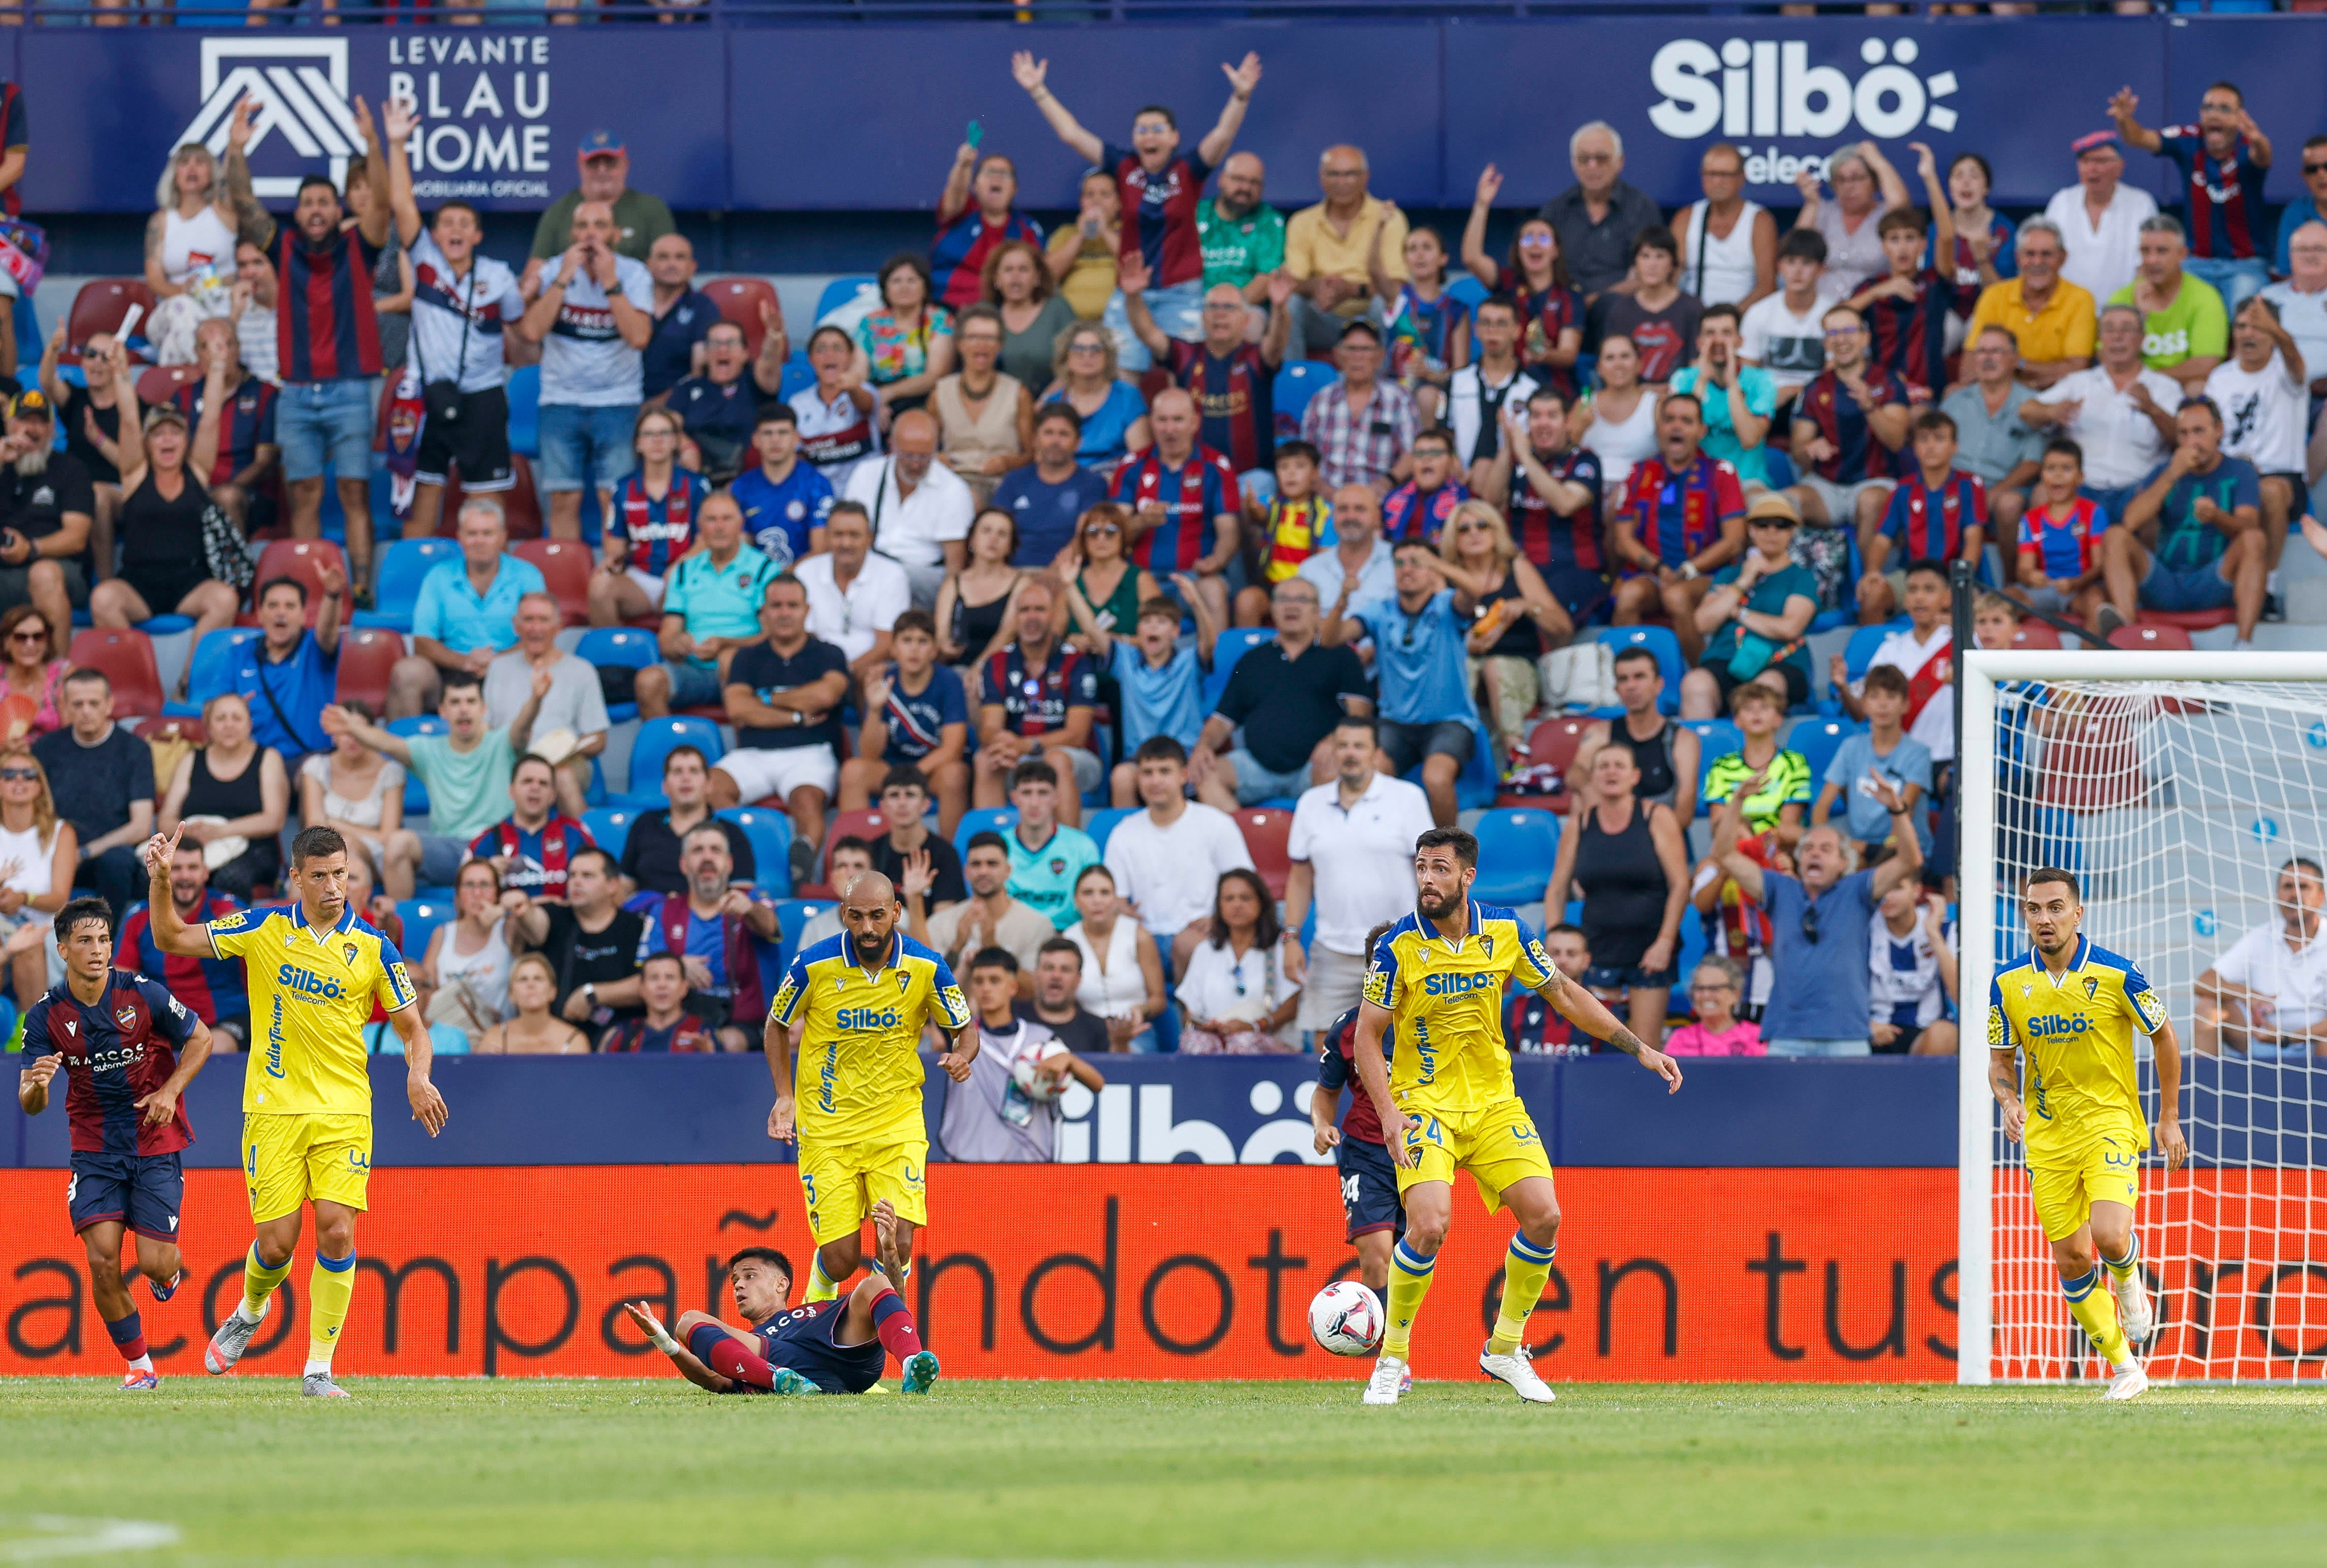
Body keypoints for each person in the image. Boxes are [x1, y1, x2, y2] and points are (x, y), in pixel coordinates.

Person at [1352, 826, 1680, 1405]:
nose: (1428, 879)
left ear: (1468, 876)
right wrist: (1390, 1113)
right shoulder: (1397, 945)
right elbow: (1366, 1036)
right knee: (1428, 1225)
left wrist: (1640, 1048)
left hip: (1494, 1104)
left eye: (1440, 868)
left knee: (1545, 1216)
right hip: (1424, 1104)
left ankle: (1504, 1347)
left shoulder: (1506, 930)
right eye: (1422, 868)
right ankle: (1393, 1356)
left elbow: (1566, 995)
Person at [143, 820, 443, 1397]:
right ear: (296, 877)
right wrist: (160, 880)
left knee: (337, 1231)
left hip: (344, 1111)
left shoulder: (375, 947)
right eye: (321, 876)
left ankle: (318, 1370)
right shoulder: (263, 927)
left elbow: (413, 1029)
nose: (334, 887)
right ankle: (251, 1309)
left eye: (342, 874)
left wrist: (418, 1074)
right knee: (278, 1245)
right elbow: (170, 937)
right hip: (273, 1110)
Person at [1988, 867, 2186, 1401]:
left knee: (2110, 1235)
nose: (2044, 918)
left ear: (2078, 913)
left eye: (2055, 908)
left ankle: (2127, 1277)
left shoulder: (2119, 974)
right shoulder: (2007, 983)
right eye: (2034, 909)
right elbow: (2001, 1059)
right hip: (2048, 1136)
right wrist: (2009, 1101)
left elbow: (2164, 1036)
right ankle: (2126, 1368)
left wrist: (2168, 1116)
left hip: (2110, 1122)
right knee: (2072, 1259)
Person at [15, 896, 214, 1391]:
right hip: (95, 1148)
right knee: (102, 1260)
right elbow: (30, 1102)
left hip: (154, 1139)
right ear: (63, 949)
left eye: (104, 939)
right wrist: (38, 1085)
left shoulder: (142, 993)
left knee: (155, 1263)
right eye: (85, 940)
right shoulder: (44, 1017)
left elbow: (202, 1037)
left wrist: (170, 1091)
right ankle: (141, 1367)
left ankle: (167, 1275)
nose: (98, 949)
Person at [765, 865, 974, 1302]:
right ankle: (815, 1323)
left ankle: (879, 1337)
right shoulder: (812, 965)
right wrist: (785, 1095)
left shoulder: (927, 966)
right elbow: (777, 1024)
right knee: (841, 1258)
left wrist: (962, 1055)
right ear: (843, 913)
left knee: (897, 1242)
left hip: (896, 1124)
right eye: (857, 916)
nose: (868, 928)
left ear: (896, 911)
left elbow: (965, 1027)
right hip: (827, 1128)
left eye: (878, 915)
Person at [1012, 47, 1263, 351]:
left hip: (1181, 291)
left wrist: (1241, 96)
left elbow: (1223, 134)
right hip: (1130, 291)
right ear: (1133, 138)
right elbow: (1071, 134)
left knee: (1184, 368)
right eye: (1141, 130)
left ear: (1174, 138)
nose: (1149, 136)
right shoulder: (1124, 167)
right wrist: (1038, 90)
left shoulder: (1188, 170)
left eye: (1158, 130)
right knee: (1120, 367)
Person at [254, 99, 392, 585]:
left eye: (324, 202)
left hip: (351, 388)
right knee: (305, 497)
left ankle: (362, 587)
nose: (316, 210)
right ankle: (309, 590)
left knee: (355, 495)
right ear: (298, 211)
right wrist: (235, 150)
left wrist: (372, 142)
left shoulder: (361, 245)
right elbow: (244, 205)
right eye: (308, 203)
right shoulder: (283, 247)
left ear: (338, 209)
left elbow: (383, 203)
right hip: (295, 392)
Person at [379, 101, 526, 541]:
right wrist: (397, 143)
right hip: (426, 394)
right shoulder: (424, 259)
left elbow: (519, 328)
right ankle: (416, 576)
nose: (455, 230)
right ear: (435, 234)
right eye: (447, 224)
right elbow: (402, 202)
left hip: (482, 397)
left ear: (477, 235)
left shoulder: (499, 275)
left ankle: (496, 577)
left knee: (488, 501)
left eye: (465, 224)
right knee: (423, 496)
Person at [1711, 761, 1921, 1058]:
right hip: (1786, 1035)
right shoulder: (1780, 888)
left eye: (1825, 849)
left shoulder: (1858, 889)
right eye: (1808, 848)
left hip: (1847, 1035)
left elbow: (1910, 860)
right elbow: (1724, 854)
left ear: (1843, 863)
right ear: (1798, 859)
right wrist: (1738, 800)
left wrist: (1897, 810)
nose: (1815, 854)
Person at [624, 1217, 941, 1396]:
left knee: (875, 1283)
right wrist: (663, 1341)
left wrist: (889, 1251)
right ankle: (781, 1381)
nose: (738, 1285)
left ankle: (912, 1366)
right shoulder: (748, 1345)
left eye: (749, 1276)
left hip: (848, 1355)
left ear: (781, 1284)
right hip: (787, 1365)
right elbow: (715, 1379)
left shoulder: (821, 1310)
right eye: (735, 1280)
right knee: (688, 1321)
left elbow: (890, 1304)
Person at [330, 667, 547, 901]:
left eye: (471, 701)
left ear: (483, 709)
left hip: (497, 846)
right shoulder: (429, 751)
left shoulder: (503, 743)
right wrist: (351, 727)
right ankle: (400, 919)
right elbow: (387, 743)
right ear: (442, 711)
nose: (464, 709)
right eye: (455, 702)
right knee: (397, 844)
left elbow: (522, 727)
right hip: (450, 850)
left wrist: (536, 698)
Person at [512, 198, 654, 543]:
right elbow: (531, 332)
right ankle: (565, 571)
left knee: (613, 499)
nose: (591, 234)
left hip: (617, 401)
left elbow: (639, 338)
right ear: (572, 234)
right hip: (560, 400)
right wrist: (562, 280)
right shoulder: (553, 271)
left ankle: (612, 571)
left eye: (600, 226)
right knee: (563, 500)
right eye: (583, 226)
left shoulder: (634, 274)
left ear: (615, 235)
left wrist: (610, 282)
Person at [1545, 740, 1690, 1048]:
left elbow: (1680, 885)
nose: (1611, 772)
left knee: (1645, 1046)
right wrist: (1554, 942)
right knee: (1601, 1044)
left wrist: (1665, 942)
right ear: (1593, 777)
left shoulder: (1657, 817)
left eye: (1619, 766)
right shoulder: (1579, 823)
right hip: (1598, 949)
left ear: (1635, 776)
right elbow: (1557, 888)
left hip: (1650, 949)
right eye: (1603, 766)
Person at [1328, 541, 1482, 827]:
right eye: (1399, 563)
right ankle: (1385, 843)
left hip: (1449, 721)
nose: (1406, 570)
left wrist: (1436, 564)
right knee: (1372, 774)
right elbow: (1330, 639)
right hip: (1395, 723)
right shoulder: (1380, 610)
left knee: (1436, 779)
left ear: (1432, 570)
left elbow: (1475, 590)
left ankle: (1448, 847)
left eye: (1416, 562)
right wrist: (1343, 598)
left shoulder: (1447, 605)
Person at [713, 574, 850, 883]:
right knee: (711, 786)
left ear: (807, 610)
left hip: (811, 753)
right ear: (764, 612)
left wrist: (766, 698)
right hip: (753, 754)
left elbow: (825, 696)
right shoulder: (746, 657)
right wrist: (797, 716)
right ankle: (745, 852)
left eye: (792, 605)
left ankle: (800, 871)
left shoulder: (829, 653)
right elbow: (738, 709)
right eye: (776, 606)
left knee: (806, 801)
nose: (784, 613)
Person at [1195, 570, 1369, 810]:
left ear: (1317, 610)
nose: (1291, 606)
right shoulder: (1253, 660)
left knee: (1340, 770)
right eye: (1283, 599)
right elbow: (1222, 721)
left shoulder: (1340, 655)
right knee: (1205, 775)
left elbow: (1360, 713)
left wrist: (1335, 741)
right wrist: (1203, 746)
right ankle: (1240, 835)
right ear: (1273, 609)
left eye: (1302, 600)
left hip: (1316, 766)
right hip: (1256, 765)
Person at [88, 394, 240, 668]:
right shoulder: (134, 475)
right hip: (139, 583)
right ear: (146, 443)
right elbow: (129, 420)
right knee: (103, 599)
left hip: (190, 582)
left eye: (175, 432)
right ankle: (140, 677)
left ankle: (189, 680)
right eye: (158, 434)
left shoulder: (198, 473)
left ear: (187, 442)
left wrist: (217, 371)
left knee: (225, 599)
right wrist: (121, 374)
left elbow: (210, 419)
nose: (167, 439)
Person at [2100, 395, 2265, 648]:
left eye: (2199, 431)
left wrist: (2217, 517)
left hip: (2214, 581)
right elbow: (2130, 523)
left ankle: (2243, 645)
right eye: (2184, 434)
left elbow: (2250, 527)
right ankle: (2128, 634)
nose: (2191, 442)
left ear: (2219, 431)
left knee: (2255, 539)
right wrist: (2173, 474)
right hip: (2165, 582)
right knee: (2115, 536)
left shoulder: (2240, 471)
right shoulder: (2166, 470)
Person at [1124, 254, 1291, 489]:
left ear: (1246, 320)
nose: (1220, 313)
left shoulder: (1257, 358)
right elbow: (1148, 333)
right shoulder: (1185, 355)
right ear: (1203, 318)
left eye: (1229, 307)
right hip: (1194, 479)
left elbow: (1278, 341)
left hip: (1251, 478)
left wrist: (1280, 308)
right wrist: (1133, 296)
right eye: (1213, 307)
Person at [2108, 80, 2272, 312]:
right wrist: (2124, 119)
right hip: (2196, 263)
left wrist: (2258, 139)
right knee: (2171, 310)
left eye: (2224, 109)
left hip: (2245, 264)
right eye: (2208, 107)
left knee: (2245, 318)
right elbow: (2139, 138)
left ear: (2240, 116)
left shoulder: (2248, 145)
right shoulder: (2189, 140)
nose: (2214, 114)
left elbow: (2263, 156)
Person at [1307, 924, 1404, 1303]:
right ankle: (1383, 1342)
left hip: (1423, 1151)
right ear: (1372, 973)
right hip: (1366, 1153)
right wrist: (1321, 1124)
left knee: (1415, 1255)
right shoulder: (1348, 1029)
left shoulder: (1439, 1027)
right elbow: (1326, 1091)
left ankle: (1399, 1336)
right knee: (1377, 1257)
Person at [1610, 392, 1747, 659]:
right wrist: (1659, 568)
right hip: (1654, 572)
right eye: (1669, 419)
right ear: (1659, 428)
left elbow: (1735, 541)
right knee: (1628, 595)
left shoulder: (1721, 472)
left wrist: (1688, 570)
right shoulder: (1639, 472)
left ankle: (1702, 673)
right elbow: (1623, 542)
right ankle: (1627, 673)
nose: (1676, 426)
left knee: (1676, 597)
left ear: (1701, 431)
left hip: (1706, 574)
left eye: (1686, 421)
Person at [941, 946, 1106, 1161]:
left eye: (995, 980)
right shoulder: (961, 1037)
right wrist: (964, 966)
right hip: (968, 1165)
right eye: (979, 981)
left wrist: (1069, 1060)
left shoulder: (1042, 1039)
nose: (986, 989)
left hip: (1029, 1166)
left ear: (1013, 987)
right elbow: (944, 1002)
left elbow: (1098, 1084)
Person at [2020, 304, 2182, 520]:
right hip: (2080, 487)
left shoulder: (2165, 387)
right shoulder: (2079, 382)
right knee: (2042, 493)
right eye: (2109, 329)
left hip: (2136, 489)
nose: (2117, 337)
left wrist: (2154, 410)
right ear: (2100, 339)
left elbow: (2181, 439)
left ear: (2142, 339)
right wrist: (2051, 411)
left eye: (2127, 329)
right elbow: (2026, 410)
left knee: (2154, 501)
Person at [390, 499, 547, 719]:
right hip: (451, 672)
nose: (479, 541)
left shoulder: (528, 575)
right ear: (460, 537)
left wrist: (498, 662)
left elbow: (540, 634)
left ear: (503, 537)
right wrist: (464, 662)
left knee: (543, 669)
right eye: (472, 534)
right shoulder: (438, 576)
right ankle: (406, 742)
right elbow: (423, 642)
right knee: (407, 672)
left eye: (488, 533)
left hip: (511, 669)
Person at [1441, 498, 1568, 763]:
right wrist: (1466, 645)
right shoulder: (1446, 577)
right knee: (1466, 667)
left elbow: (1563, 628)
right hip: (1465, 666)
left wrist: (1528, 607)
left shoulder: (1516, 568)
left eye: (1482, 525)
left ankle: (1516, 756)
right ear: (1453, 538)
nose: (1474, 533)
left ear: (1496, 531)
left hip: (1517, 669)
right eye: (1464, 529)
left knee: (1495, 667)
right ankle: (1450, 753)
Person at [1677, 491, 1819, 720]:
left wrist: (1737, 612)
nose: (1771, 531)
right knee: (1695, 684)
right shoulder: (1729, 575)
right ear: (1751, 530)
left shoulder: (1802, 578)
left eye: (1781, 525)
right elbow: (1703, 623)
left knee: (1764, 689)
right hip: (1726, 659)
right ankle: (1701, 745)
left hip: (1780, 662)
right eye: (1763, 524)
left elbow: (1789, 628)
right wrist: (1744, 580)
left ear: (1792, 532)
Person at [639, 490, 780, 720]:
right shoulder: (684, 571)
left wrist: (726, 644)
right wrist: (678, 643)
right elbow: (667, 636)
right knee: (648, 682)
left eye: (727, 519)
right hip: (694, 670)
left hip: (749, 670)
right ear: (699, 526)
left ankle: (745, 742)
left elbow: (773, 637)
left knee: (729, 660)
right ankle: (674, 743)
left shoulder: (765, 570)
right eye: (711, 520)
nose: (719, 527)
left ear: (741, 524)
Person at [1104, 734, 1251, 949]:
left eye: (1165, 771)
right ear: (1138, 778)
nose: (1155, 781)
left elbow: (1245, 885)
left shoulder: (1217, 824)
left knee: (1187, 945)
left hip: (1202, 936)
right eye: (1147, 773)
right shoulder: (1123, 832)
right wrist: (1118, 911)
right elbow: (1116, 898)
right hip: (1144, 938)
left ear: (1184, 775)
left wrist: (1218, 920)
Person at [2206, 296, 2307, 607]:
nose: (2248, 334)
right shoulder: (2220, 377)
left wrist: (2277, 331)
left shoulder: (2286, 371)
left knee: (2269, 492)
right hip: (2229, 472)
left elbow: (2293, 356)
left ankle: (2268, 587)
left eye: (2258, 328)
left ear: (2275, 333)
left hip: (2279, 475)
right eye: (2241, 327)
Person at [973, 579, 1101, 824]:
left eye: (1040, 610)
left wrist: (1027, 745)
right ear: (1015, 618)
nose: (1032, 617)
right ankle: (992, 845)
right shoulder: (998, 662)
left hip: (1074, 758)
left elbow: (1077, 735)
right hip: (1016, 754)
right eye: (1024, 610)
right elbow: (989, 727)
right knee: (987, 760)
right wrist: (1000, 741)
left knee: (1056, 760)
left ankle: (1069, 846)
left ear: (1054, 616)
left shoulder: (1077, 662)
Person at [32, 668, 154, 922]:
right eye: (78, 704)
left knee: (117, 861)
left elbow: (141, 826)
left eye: (94, 703)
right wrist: (64, 853)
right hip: (54, 852)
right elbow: (33, 809)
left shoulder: (135, 750)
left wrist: (85, 852)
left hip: (109, 856)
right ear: (65, 707)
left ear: (109, 705)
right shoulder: (46, 749)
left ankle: (107, 938)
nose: (86, 711)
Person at [644, 824, 779, 1050]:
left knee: (726, 1042)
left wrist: (750, 910)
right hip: (681, 1019)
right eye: (698, 850)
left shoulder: (752, 899)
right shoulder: (664, 910)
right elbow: (647, 969)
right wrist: (678, 966)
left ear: (729, 863)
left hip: (744, 1024)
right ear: (684, 864)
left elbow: (771, 928)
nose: (707, 858)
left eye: (715, 850)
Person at [1480, 388, 1607, 624]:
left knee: (1542, 617)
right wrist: (1508, 447)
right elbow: (1490, 501)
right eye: (1536, 416)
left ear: (1567, 422)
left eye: (1552, 416)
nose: (1543, 423)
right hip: (1522, 568)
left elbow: (1565, 504)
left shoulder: (1584, 461)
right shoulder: (1517, 461)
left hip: (1573, 570)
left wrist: (1525, 456)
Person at [1786, 306, 1910, 544]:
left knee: (1870, 502)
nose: (1841, 340)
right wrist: (1810, 448)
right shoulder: (1815, 388)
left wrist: (1870, 407)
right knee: (1782, 505)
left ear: (1865, 338)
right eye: (1833, 333)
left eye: (1849, 331)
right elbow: (1798, 451)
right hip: (1825, 486)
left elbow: (1896, 441)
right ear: (1826, 343)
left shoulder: (1889, 382)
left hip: (1876, 481)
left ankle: (1868, 571)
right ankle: (1795, 570)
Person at [144, 106, 255, 365]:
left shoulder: (223, 211)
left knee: (188, 335)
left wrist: (234, 146)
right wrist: (182, 290)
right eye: (184, 163)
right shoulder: (161, 221)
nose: (192, 168)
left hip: (221, 305)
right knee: (183, 310)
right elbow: (155, 279)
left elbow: (233, 183)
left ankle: (179, 387)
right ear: (174, 175)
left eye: (200, 162)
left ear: (211, 173)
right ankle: (216, 369)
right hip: (171, 310)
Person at [1460, 166, 1585, 398]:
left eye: (1544, 239)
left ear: (1556, 250)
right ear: (1518, 250)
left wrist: (1544, 355)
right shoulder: (1507, 282)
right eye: (1527, 239)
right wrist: (1482, 205)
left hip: (1553, 391)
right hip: (1508, 387)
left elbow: (1569, 354)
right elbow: (1471, 258)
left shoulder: (1569, 296)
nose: (1535, 244)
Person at [484, 591, 609, 821]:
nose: (536, 628)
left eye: (544, 620)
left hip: (562, 764)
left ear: (558, 626)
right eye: (528, 620)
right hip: (509, 761)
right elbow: (485, 729)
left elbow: (598, 739)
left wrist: (566, 748)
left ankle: (585, 842)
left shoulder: (582, 671)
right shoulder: (498, 668)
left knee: (561, 776)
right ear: (516, 626)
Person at [839, 615, 970, 833]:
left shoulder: (949, 681)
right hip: (891, 768)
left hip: (933, 770)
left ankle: (950, 851)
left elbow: (953, 749)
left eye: (923, 641)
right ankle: (858, 851)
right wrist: (875, 709)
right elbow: (869, 754)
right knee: (853, 772)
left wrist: (911, 775)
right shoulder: (884, 681)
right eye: (907, 640)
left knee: (955, 775)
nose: (914, 649)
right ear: (893, 649)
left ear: (934, 650)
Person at [840, 408, 976, 612]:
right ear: (892, 447)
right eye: (907, 456)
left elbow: (954, 567)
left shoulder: (954, 490)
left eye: (924, 457)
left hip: (924, 576)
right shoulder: (867, 474)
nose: (915, 465)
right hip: (872, 565)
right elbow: (848, 529)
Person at [1859, 411, 1988, 625]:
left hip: (1952, 577)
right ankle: (1877, 648)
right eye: (1924, 439)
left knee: (1972, 617)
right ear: (1914, 448)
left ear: (1954, 447)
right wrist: (1872, 572)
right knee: (1872, 597)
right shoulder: (1902, 489)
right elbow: (1882, 540)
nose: (1931, 446)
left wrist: (1959, 584)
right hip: (1911, 576)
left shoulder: (1970, 485)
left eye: (1939, 439)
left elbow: (1973, 542)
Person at [121, 836, 250, 1050]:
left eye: (193, 868)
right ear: (164, 872)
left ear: (206, 873)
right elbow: (122, 980)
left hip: (227, 1017)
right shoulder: (139, 917)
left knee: (210, 1049)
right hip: (166, 1022)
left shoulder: (227, 908)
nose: (185, 876)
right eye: (176, 868)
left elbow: (242, 922)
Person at [159, 694, 288, 904]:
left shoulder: (268, 758)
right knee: (156, 874)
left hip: (254, 849)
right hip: (196, 847)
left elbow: (274, 819)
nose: (229, 725)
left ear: (250, 724)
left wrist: (220, 832)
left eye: (237, 718)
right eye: (221, 718)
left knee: (229, 878)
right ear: (208, 726)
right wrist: (190, 832)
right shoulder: (191, 760)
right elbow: (165, 820)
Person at [204, 574, 343, 768]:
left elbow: (328, 632)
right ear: (260, 614)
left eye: (290, 606)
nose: (281, 613)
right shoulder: (240, 653)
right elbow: (211, 709)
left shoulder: (315, 647)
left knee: (309, 775)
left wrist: (332, 595)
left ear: (303, 615)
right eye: (273, 605)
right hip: (254, 763)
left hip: (309, 763)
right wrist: (234, 708)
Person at [2194, 857, 2327, 1057]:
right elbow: (2203, 983)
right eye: (2288, 887)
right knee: (2207, 1006)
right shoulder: (2261, 936)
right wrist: (2247, 994)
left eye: (2304, 887)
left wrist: (2287, 1038)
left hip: (2315, 1047)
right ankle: (2203, 1078)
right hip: (2260, 1037)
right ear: (2278, 895)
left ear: (2321, 897)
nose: (2295, 894)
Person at [508, 845, 646, 1035]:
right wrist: (523, 907)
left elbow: (650, 982)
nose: (576, 882)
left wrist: (592, 994)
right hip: (556, 1041)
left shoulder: (635, 927)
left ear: (612, 885)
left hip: (618, 1040)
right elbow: (535, 923)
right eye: (572, 875)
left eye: (587, 876)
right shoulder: (555, 916)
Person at [1282, 144, 1404, 357]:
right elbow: (1294, 281)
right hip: (1322, 317)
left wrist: (1353, 290)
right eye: (1334, 174)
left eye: (1350, 174)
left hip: (1369, 316)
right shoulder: (1302, 222)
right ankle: (1294, 376)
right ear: (1321, 178)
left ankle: (1385, 378)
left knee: (1383, 305)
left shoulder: (1389, 217)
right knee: (1291, 304)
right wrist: (1317, 286)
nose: (1342, 183)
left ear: (1365, 177)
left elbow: (1397, 288)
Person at [1838, 559, 1956, 766]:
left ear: (1947, 597)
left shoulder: (1964, 643)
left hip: (1950, 758)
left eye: (1929, 590)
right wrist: (1842, 686)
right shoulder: (1890, 650)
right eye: (1912, 590)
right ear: (1905, 599)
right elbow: (1861, 713)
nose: (1920, 597)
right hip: (1901, 762)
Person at [0, 389, 96, 640]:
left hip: (59, 569)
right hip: (5, 574)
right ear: (9, 424)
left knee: (43, 574)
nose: (32, 429)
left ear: (52, 429)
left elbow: (77, 538)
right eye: (24, 420)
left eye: (40, 422)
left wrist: (30, 549)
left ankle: (57, 665)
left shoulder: (71, 469)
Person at [173, 316, 279, 541]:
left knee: (227, 497)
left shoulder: (266, 394)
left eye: (226, 345)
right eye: (207, 347)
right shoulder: (183, 397)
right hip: (194, 488)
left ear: (238, 349)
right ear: (197, 353)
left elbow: (265, 463)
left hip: (248, 494)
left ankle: (236, 565)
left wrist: (221, 492)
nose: (218, 354)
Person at [1174, 868, 1299, 1055]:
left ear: (1261, 903)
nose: (1237, 905)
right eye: (1229, 899)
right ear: (1219, 906)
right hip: (1217, 1042)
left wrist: (1253, 1027)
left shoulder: (1280, 949)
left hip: (1267, 1040)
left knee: (1242, 1043)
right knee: (1197, 1043)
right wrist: (1210, 1027)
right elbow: (1190, 1014)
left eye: (1245, 898)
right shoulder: (1206, 951)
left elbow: (1291, 1008)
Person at [1813, 664, 1932, 859]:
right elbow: (1822, 807)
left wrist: (1873, 857)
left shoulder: (1919, 753)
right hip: (1858, 847)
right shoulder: (1850, 747)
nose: (1883, 704)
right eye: (1875, 696)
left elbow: (1905, 815)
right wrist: (1821, 847)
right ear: (1864, 704)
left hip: (1902, 850)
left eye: (1891, 697)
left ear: (1905, 705)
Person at [1941, 326, 2045, 546]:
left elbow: (2032, 464)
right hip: (1957, 484)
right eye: (1981, 351)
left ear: (2015, 359)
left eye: (1996, 351)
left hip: (2006, 486)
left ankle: (2010, 569)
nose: (1988, 358)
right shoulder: (1955, 401)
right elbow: (1936, 450)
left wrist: (1996, 492)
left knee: (2008, 504)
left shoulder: (2033, 405)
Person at [1537, 122, 1663, 302]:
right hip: (1562, 307)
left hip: (1622, 307)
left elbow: (1652, 273)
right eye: (1584, 159)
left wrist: (1593, 301)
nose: (1592, 166)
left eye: (1602, 158)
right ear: (1573, 163)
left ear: (1620, 162)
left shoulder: (1642, 209)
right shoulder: (1555, 210)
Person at [1966, 221, 2096, 394]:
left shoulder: (2080, 298)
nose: (2037, 262)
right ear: (2018, 258)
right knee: (1953, 392)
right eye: (2030, 254)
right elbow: (1969, 369)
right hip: (2000, 394)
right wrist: (2029, 381)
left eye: (2047, 254)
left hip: (2057, 396)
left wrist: (2017, 364)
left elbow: (2077, 369)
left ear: (2063, 258)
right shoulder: (1994, 295)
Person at [1847, 192, 1952, 399]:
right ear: (1884, 247)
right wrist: (1877, 292)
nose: (1903, 248)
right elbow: (1834, 318)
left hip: (1928, 393)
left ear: (1924, 245)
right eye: (1894, 239)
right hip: (1882, 393)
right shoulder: (1871, 287)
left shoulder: (1934, 282)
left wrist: (1930, 178)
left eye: (1910, 238)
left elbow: (1947, 236)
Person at [1570, 648, 1700, 814]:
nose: (1631, 686)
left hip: (1663, 826)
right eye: (1623, 679)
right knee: (1579, 797)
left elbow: (1685, 808)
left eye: (1640, 677)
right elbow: (1575, 773)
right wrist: (1589, 791)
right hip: (1612, 824)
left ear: (1658, 685)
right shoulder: (1600, 733)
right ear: (1617, 690)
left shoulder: (1683, 739)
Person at [2108, 217, 2229, 394]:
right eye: (2145, 251)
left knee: (2198, 388)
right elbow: (2108, 359)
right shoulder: (2122, 298)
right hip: (2128, 389)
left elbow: (2206, 364)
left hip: (2179, 389)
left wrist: (2150, 380)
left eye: (2162, 251)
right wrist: (2139, 318)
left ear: (2182, 254)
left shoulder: (2205, 297)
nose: (2152, 260)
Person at [661, 319, 789, 486]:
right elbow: (668, 424)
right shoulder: (688, 387)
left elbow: (770, 362)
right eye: (715, 343)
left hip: (749, 479)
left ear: (745, 353)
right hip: (698, 478)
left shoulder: (754, 382)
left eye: (731, 343)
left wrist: (774, 334)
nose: (723, 349)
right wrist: (686, 446)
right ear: (706, 353)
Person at [526, 130, 676, 273]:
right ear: (580, 166)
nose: (602, 170)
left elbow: (669, 265)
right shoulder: (559, 211)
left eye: (610, 163)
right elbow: (536, 271)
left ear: (625, 164)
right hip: (572, 288)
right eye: (593, 163)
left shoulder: (651, 208)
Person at [619, 745, 756, 899]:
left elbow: (743, 896)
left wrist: (682, 908)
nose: (686, 779)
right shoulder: (645, 824)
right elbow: (624, 887)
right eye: (678, 772)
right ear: (665, 786)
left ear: (709, 785)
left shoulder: (731, 832)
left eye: (694, 771)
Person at [797, 502, 912, 681]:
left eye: (854, 535)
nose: (846, 543)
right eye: (838, 535)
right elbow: (802, 635)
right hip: (815, 671)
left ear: (870, 538)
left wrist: (843, 674)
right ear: (826, 537)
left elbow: (888, 643)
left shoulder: (892, 574)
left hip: (869, 672)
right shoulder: (806, 571)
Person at [932, 305, 1033, 508]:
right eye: (973, 337)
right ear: (960, 344)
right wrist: (937, 458)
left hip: (1001, 485)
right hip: (952, 483)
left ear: (1000, 345)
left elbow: (1032, 454)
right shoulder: (940, 393)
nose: (982, 345)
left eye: (990, 338)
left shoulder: (1018, 394)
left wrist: (1007, 463)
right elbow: (926, 448)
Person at [1300, 321, 1417, 495]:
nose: (1358, 357)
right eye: (1351, 349)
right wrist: (1329, 493)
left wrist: (1386, 483)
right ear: (1337, 355)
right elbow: (1304, 457)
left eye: (1366, 349)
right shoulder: (1321, 400)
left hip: (1381, 498)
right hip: (1327, 499)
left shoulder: (1399, 399)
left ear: (1380, 356)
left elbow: (1412, 453)